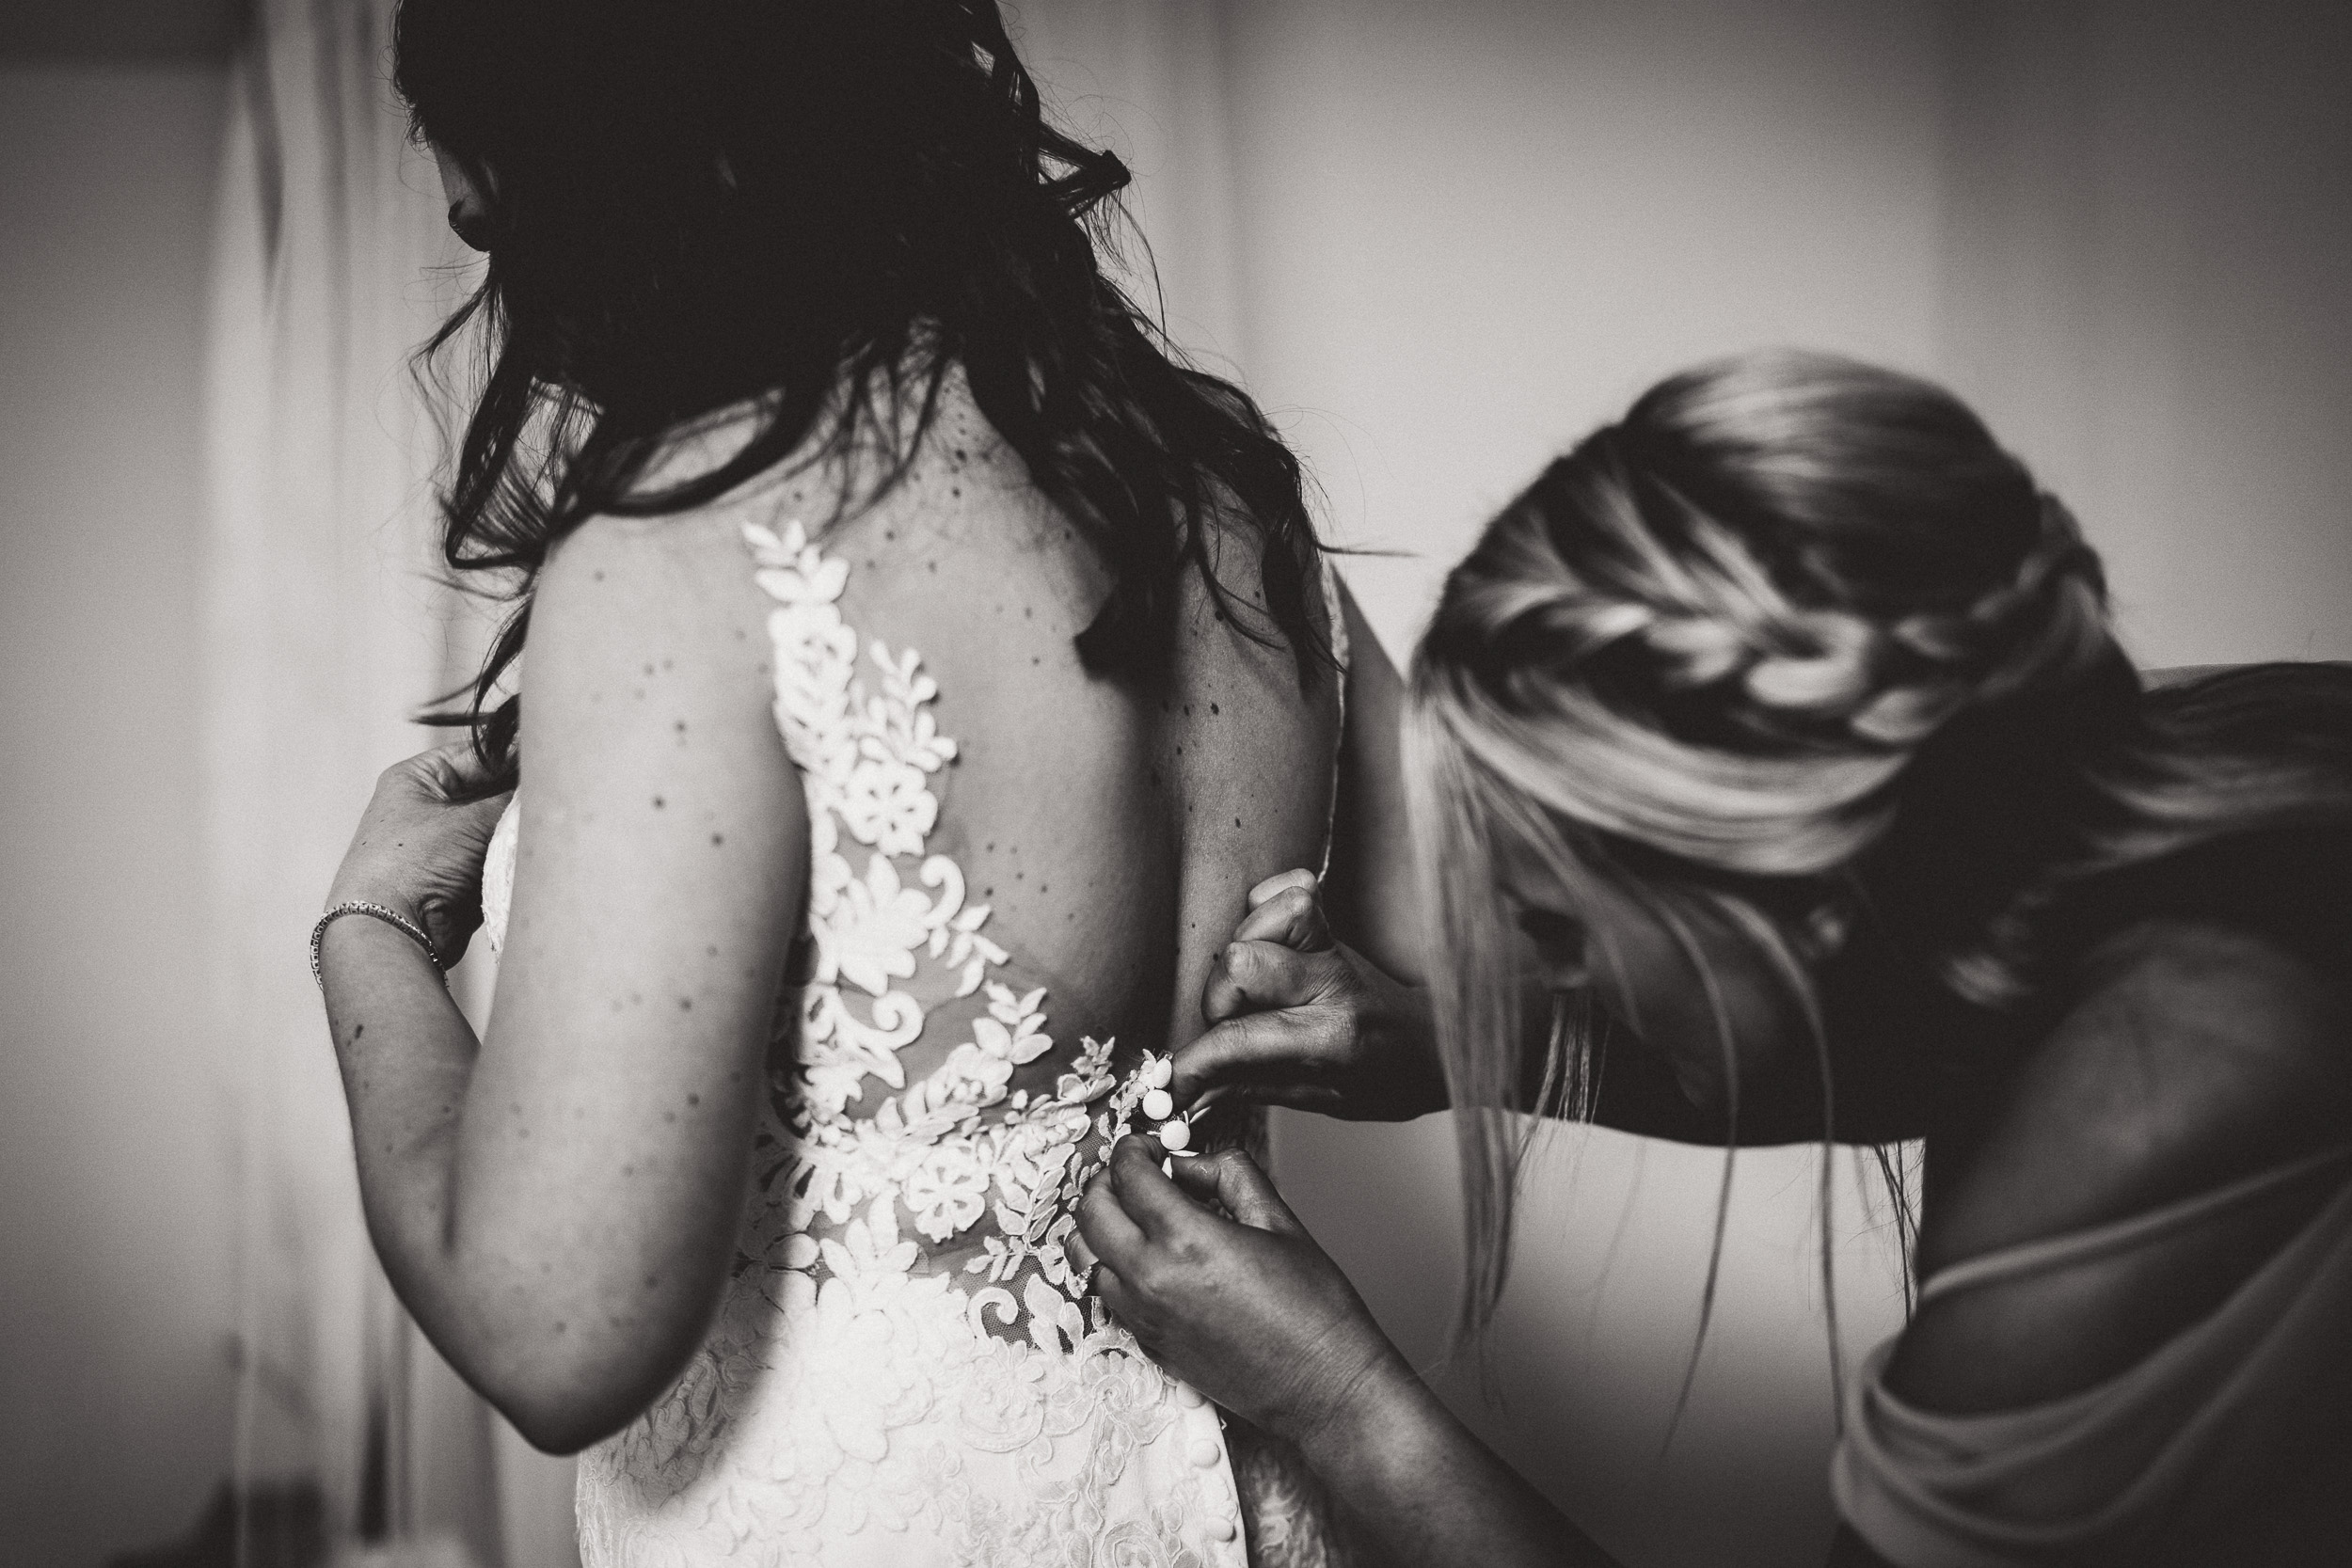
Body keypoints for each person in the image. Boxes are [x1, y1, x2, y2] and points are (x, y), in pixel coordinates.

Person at [312, 1, 1378, 1561]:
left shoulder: (695, 549)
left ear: (618, 169)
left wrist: (369, 928)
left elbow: (553, 1330)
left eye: (501, 227)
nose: (513, 301)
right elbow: (1426, 1009)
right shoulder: (1224, 489)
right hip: (1253, 1499)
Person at [1076, 351, 2352, 1566]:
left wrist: (1338, 1396)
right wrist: (1453, 1048)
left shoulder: (2126, 1133)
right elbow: (1930, 1026)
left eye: (1568, 933)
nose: (1545, 970)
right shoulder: (2218, 766)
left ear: (1803, 910)